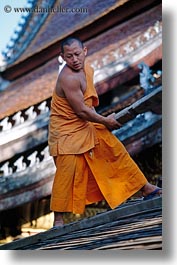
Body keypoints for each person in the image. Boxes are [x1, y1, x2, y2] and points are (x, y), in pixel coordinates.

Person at [48, 36, 162, 227]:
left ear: (85, 51)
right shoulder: (67, 78)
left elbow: (88, 106)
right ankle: (58, 219)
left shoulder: (88, 70)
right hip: (66, 130)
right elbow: (81, 111)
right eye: (69, 56)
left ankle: (146, 188)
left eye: (77, 54)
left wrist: (102, 122)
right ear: (62, 58)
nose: (74, 59)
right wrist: (106, 121)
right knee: (67, 172)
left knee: (114, 151)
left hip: (86, 122)